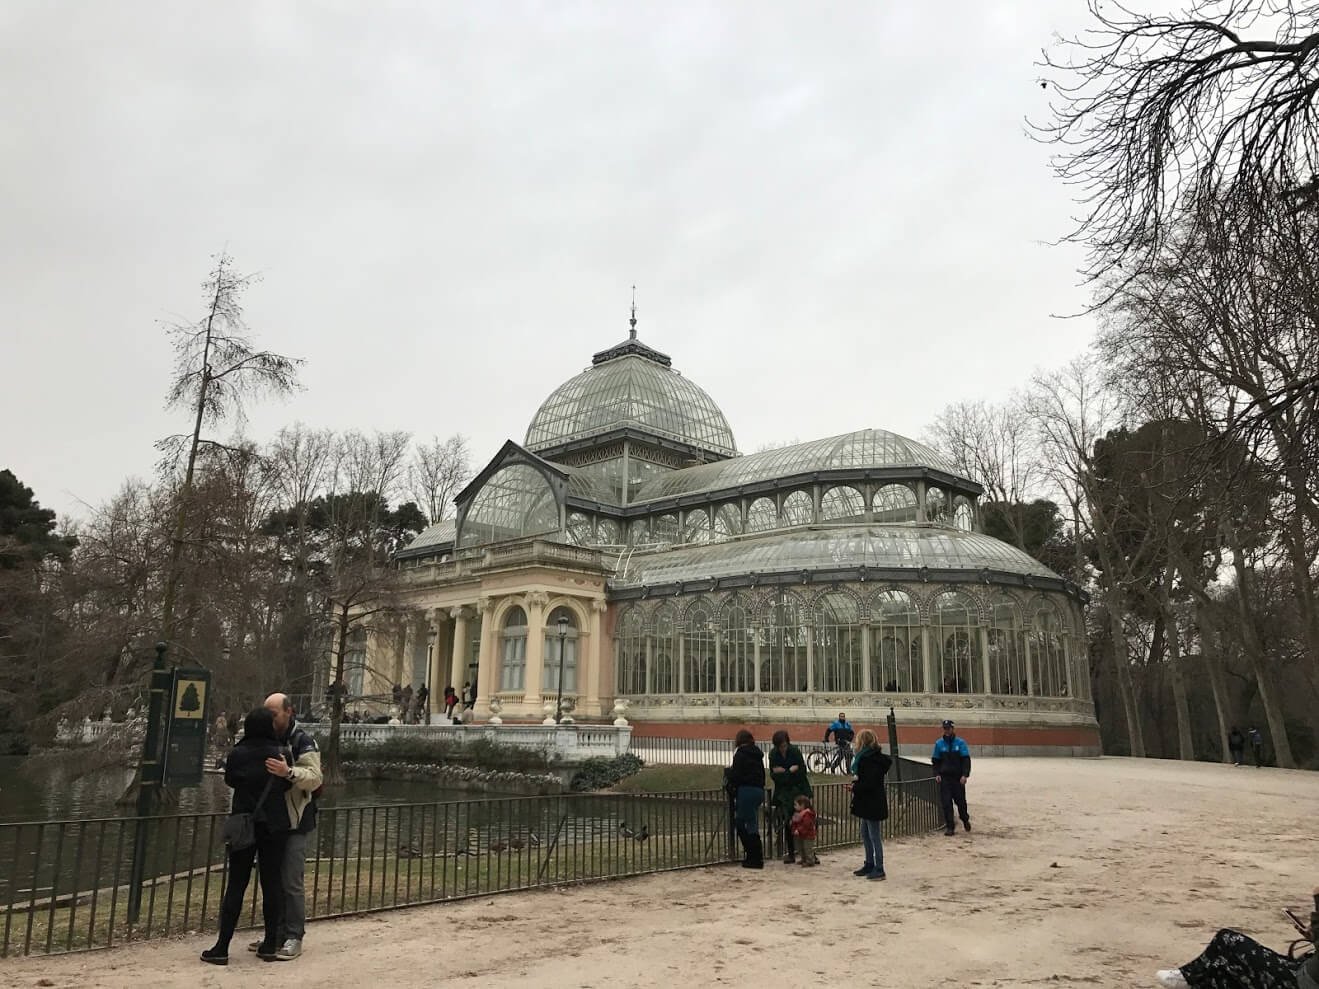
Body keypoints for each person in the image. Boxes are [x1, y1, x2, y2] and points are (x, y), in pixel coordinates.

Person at [201, 708, 291, 966]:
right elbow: (286, 783)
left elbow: (230, 780)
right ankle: (270, 944)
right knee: (272, 884)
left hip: (245, 823)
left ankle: (222, 947)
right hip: (274, 825)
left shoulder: (239, 753)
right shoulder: (281, 752)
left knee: (236, 885)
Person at [249, 693, 323, 962]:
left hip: (295, 820)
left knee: (291, 880)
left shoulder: (303, 741)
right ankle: (274, 933)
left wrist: (288, 772)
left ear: (289, 712)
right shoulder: (267, 738)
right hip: (272, 820)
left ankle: (294, 935)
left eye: (274, 714)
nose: (270, 719)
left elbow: (314, 777)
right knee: (272, 880)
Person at [1155, 917, 1316, 987]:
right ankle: (1190, 978)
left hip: (1301, 981)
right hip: (1303, 972)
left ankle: (1188, 976)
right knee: (1223, 973)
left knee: (1228, 940)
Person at [849, 728, 892, 880]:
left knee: (874, 836)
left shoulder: (870, 760)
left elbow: (870, 782)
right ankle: (869, 863)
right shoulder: (866, 758)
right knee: (865, 834)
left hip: (872, 801)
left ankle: (879, 868)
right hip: (867, 801)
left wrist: (855, 787)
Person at [768, 730, 811, 863]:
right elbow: (774, 775)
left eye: (784, 745)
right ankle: (791, 852)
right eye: (780, 746)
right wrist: (789, 772)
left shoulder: (795, 751)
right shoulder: (773, 754)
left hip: (799, 790)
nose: (783, 748)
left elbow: (802, 771)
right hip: (783, 793)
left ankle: (808, 854)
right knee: (788, 823)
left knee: (804, 821)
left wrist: (784, 773)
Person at [725, 729, 765, 869]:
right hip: (759, 790)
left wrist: (729, 776)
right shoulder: (757, 754)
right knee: (751, 821)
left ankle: (754, 856)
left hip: (746, 791)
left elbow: (736, 775)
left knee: (743, 823)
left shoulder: (740, 754)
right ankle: (755, 856)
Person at [932, 718, 972, 836]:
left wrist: (965, 775)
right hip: (945, 778)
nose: (947, 731)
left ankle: (965, 819)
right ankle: (950, 827)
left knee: (960, 802)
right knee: (946, 803)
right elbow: (935, 761)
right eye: (945, 729)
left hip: (957, 778)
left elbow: (966, 760)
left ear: (953, 729)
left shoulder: (960, 743)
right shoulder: (939, 744)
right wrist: (937, 774)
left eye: (948, 728)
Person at [791, 795, 819, 867]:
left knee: (807, 848)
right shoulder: (797, 813)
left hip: (808, 835)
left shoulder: (807, 814)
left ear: (802, 805)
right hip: (800, 834)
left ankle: (810, 861)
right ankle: (804, 859)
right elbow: (794, 823)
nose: (794, 806)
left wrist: (799, 830)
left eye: (796, 805)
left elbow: (806, 825)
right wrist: (794, 829)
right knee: (800, 848)